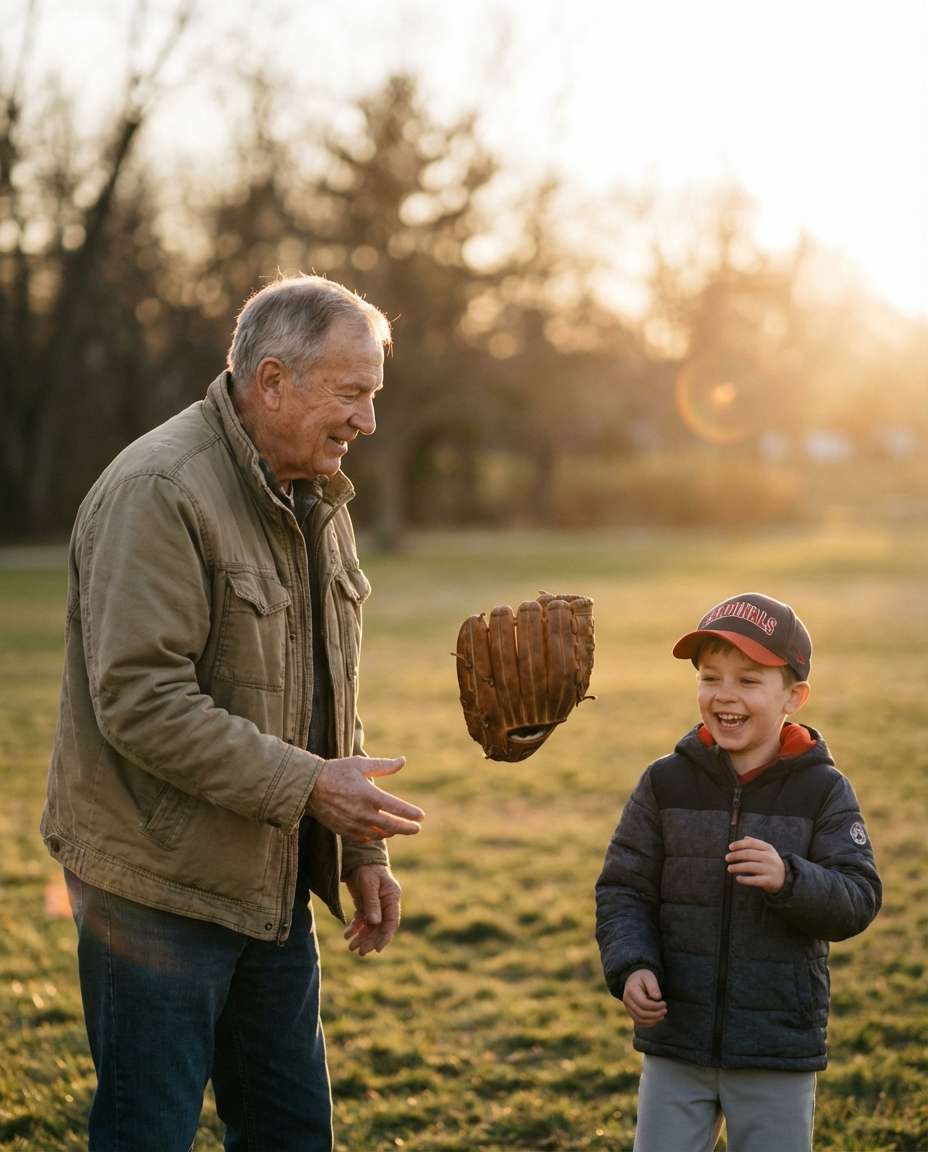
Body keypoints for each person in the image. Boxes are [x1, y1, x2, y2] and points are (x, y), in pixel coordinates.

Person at [41, 274, 426, 1151]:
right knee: (149, 1133)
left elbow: (330, 687)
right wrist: (310, 790)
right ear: (273, 380)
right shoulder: (159, 491)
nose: (368, 422)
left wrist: (358, 848)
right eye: (352, 393)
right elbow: (140, 701)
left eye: (374, 395)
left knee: (292, 1134)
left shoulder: (319, 499)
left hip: (270, 884)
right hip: (154, 890)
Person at [595, 592, 881, 1152]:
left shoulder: (822, 790)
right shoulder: (665, 782)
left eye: (749, 680)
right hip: (676, 1040)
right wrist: (630, 966)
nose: (724, 695)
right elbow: (622, 888)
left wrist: (790, 879)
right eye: (710, 677)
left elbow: (858, 897)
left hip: (775, 1047)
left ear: (793, 696)